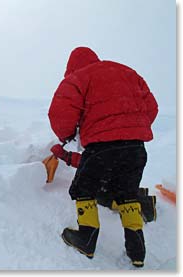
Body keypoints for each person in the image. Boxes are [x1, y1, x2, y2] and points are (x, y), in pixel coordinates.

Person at [48, 47, 158, 267]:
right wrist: (131, 127)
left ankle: (86, 239)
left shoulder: (79, 77)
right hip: (136, 147)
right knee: (127, 193)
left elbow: (60, 112)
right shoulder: (128, 72)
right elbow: (152, 108)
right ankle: (137, 251)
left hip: (101, 146)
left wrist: (67, 134)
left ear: (71, 66)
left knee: (83, 189)